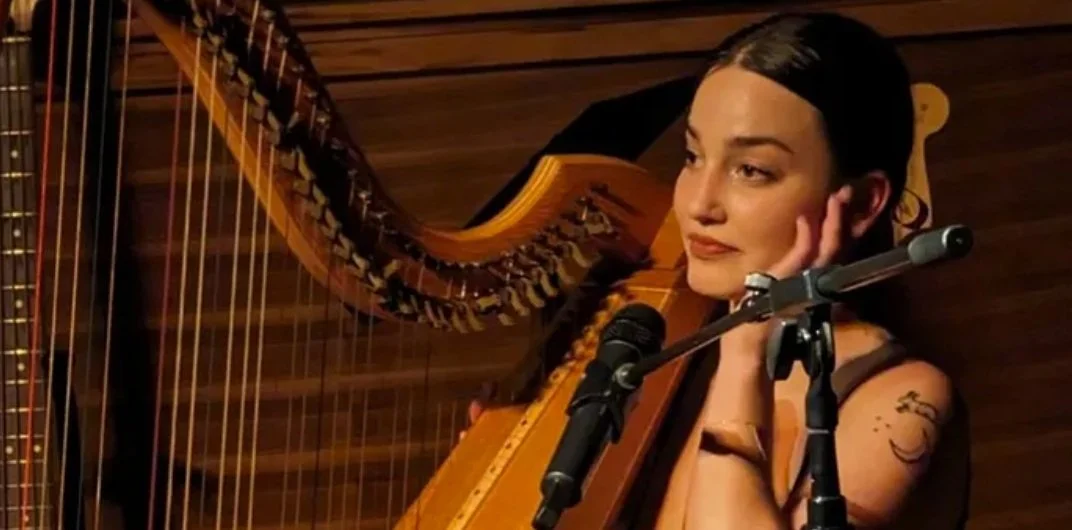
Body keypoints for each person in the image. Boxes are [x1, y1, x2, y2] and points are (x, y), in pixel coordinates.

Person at [468, 11, 970, 529]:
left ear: (862, 203)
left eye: (751, 170)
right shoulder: (675, 347)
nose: (699, 204)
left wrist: (745, 354)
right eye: (692, 156)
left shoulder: (902, 401)